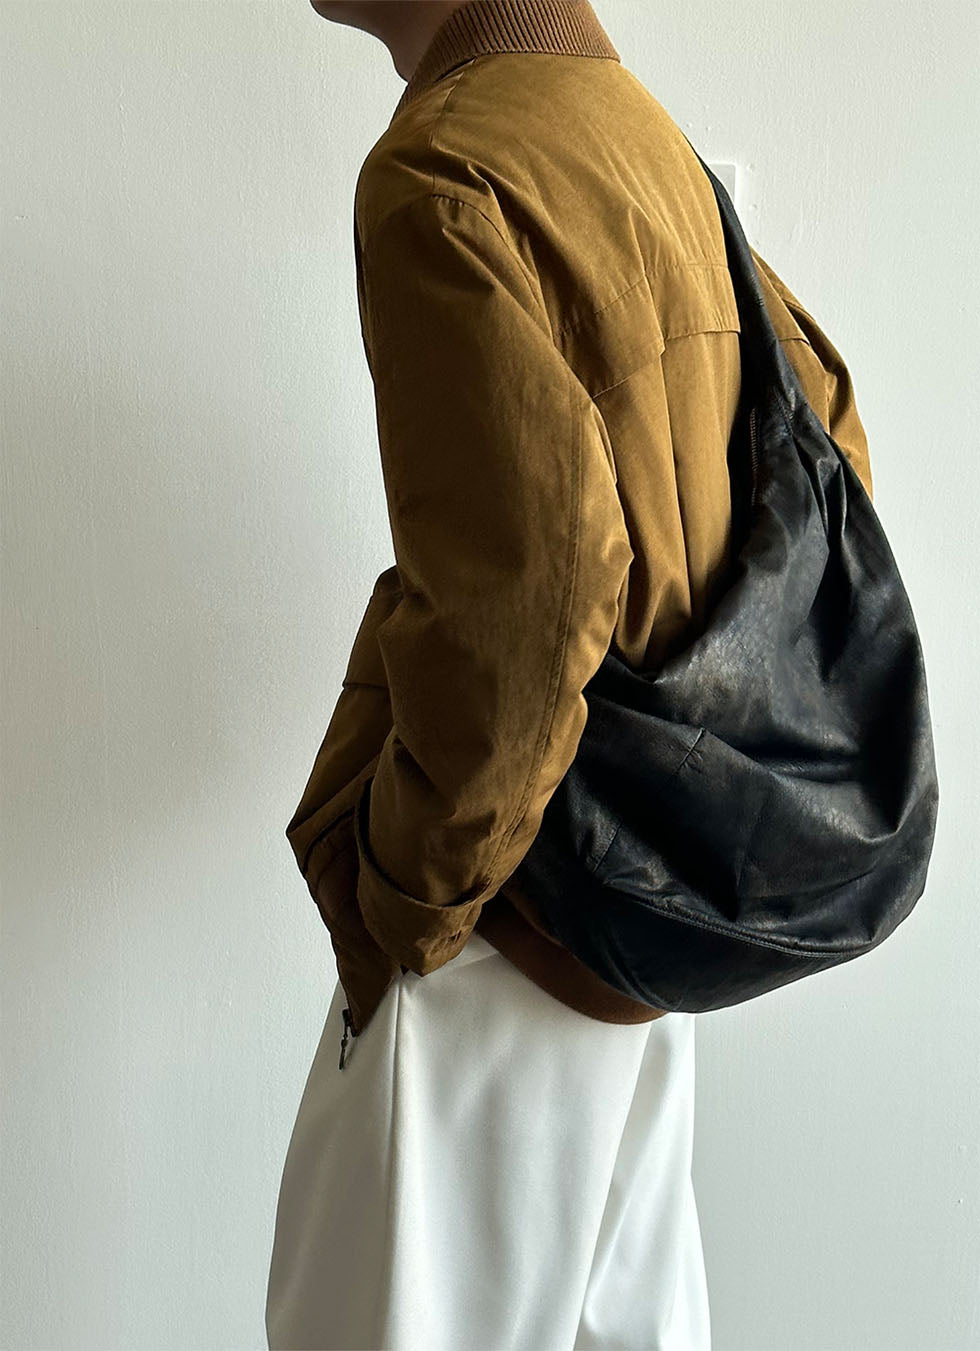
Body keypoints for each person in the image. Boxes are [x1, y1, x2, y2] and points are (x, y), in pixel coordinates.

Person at [266, 3, 874, 1348]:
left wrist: (407, 897)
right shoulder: (646, 143)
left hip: (505, 911)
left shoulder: (446, 166)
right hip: (639, 919)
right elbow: (832, 456)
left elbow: (532, 589)